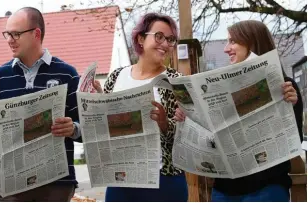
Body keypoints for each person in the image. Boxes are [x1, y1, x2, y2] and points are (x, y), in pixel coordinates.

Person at [174, 20, 303, 202]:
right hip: (224, 191)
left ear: (252, 42)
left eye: (233, 41)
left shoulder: (286, 85)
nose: (226, 49)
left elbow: (293, 140)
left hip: (266, 189)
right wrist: (187, 120)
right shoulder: (220, 89)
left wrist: (291, 106)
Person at [0, 7, 82, 202]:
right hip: (10, 185)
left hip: (56, 185)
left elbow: (88, 128)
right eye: (7, 34)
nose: (10, 39)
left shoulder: (67, 74)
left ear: (36, 34)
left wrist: (73, 129)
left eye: (16, 34)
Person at [93, 13, 188, 202]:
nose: (165, 44)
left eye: (170, 40)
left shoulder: (175, 81)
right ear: (141, 38)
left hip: (164, 181)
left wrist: (164, 124)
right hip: (121, 179)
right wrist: (97, 103)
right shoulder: (116, 76)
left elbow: (185, 137)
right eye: (159, 36)